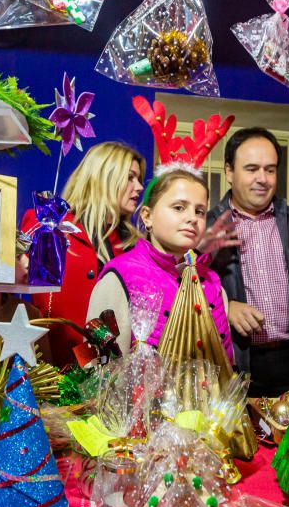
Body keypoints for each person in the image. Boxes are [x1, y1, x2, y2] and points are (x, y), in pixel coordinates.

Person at [207, 127, 289, 396]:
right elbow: (181, 292)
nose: (262, 179)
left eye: (270, 169)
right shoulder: (208, 227)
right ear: (229, 172)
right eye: (252, 168)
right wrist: (224, 306)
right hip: (235, 367)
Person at [20, 142, 145, 366]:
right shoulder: (47, 224)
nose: (139, 187)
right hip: (52, 373)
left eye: (139, 179)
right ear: (104, 175)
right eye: (130, 177)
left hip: (112, 378)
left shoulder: (134, 246)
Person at [86, 169, 232, 359]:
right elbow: (99, 370)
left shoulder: (213, 283)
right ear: (147, 216)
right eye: (179, 207)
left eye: (200, 211)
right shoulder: (119, 277)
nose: (192, 218)